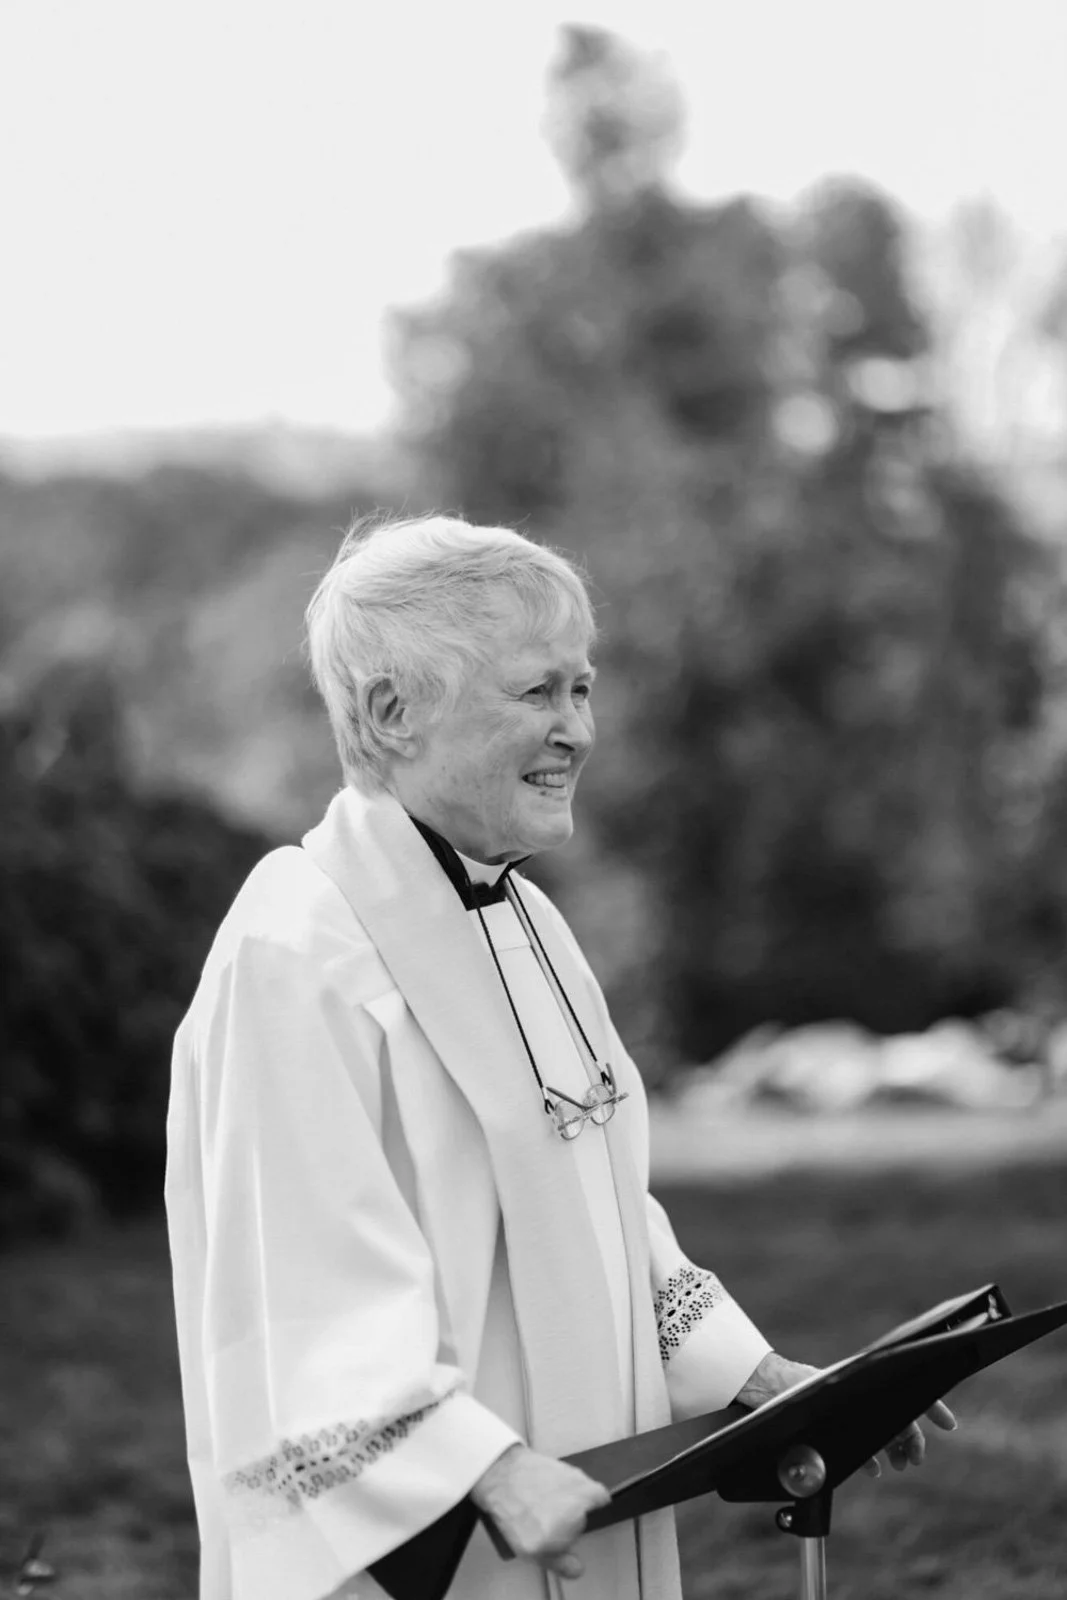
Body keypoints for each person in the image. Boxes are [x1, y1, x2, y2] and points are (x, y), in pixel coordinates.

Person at [165, 514, 955, 1600]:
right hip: (439, 1547)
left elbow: (593, 1198)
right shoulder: (295, 946)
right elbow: (296, 1272)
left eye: (581, 690)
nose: (577, 730)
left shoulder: (524, 917)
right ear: (395, 713)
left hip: (578, 1507)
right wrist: (479, 1464)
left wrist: (754, 1376)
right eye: (536, 693)